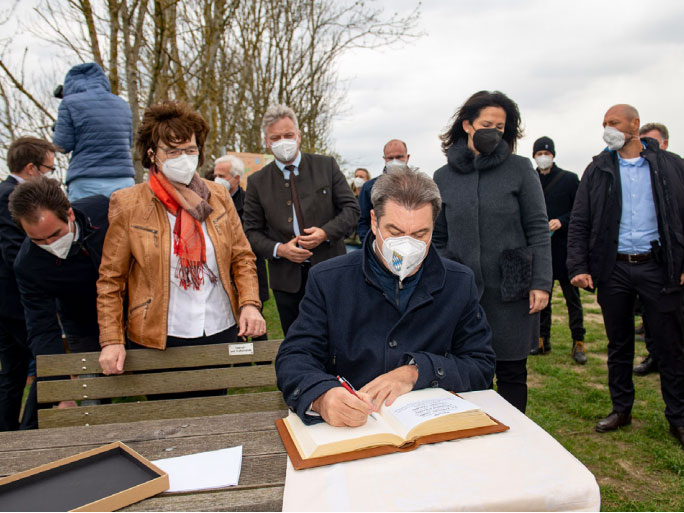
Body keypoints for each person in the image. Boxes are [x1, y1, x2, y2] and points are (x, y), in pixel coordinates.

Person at [276, 166, 495, 426]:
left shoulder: (459, 282)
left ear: (433, 227)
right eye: (395, 231)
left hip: (431, 428)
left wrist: (417, 371)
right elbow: (295, 357)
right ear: (373, 221)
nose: (406, 245)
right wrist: (322, 396)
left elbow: (480, 365)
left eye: (419, 234)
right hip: (353, 429)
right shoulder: (329, 279)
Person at [97, 100, 265, 376]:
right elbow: (111, 280)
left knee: (213, 415)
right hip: (158, 335)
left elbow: (242, 257)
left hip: (218, 326)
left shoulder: (219, 196)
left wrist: (249, 303)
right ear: (152, 154)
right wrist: (112, 339)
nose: (183, 158)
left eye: (189, 150)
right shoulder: (128, 203)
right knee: (164, 416)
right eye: (173, 151)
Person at [567, 104, 684, 447]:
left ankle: (678, 416)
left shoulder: (670, 165)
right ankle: (622, 409)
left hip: (658, 266)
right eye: (604, 124)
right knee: (619, 344)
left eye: (614, 123)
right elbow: (580, 220)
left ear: (635, 124)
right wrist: (578, 266)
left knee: (670, 345)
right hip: (614, 267)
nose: (608, 129)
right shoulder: (598, 168)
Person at [433, 90, 552, 413]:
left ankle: (516, 439)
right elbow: (437, 235)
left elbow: (538, 228)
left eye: (500, 127)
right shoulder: (443, 177)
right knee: (470, 372)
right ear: (468, 125)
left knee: (512, 371)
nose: (494, 132)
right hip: (462, 290)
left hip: (511, 289)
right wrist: (448, 271)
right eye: (487, 123)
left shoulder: (520, 169)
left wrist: (541, 282)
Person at [243, 104, 359, 336]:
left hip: (331, 270)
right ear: (267, 141)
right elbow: (251, 232)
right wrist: (280, 250)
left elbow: (351, 210)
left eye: (288, 135)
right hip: (286, 280)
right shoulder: (257, 181)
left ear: (298, 136)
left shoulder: (326, 166)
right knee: (297, 340)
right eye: (276, 137)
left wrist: (325, 233)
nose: (283, 141)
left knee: (339, 335)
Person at [10, 178, 109, 409]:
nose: (50, 244)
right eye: (38, 240)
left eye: (55, 235)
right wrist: (58, 387)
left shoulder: (103, 210)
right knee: (93, 404)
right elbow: (41, 327)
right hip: (84, 327)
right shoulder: (27, 265)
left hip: (134, 315)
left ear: (70, 214)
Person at [0, 136, 57, 430]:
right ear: (32, 168)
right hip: (15, 302)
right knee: (47, 364)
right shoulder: (9, 196)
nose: (51, 174)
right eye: (50, 168)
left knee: (13, 373)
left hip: (10, 301)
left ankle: (8, 433)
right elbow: (13, 253)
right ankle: (26, 430)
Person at [530, 136, 586, 363]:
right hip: (542, 251)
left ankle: (578, 341)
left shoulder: (569, 180)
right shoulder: (531, 179)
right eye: (539, 153)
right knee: (543, 297)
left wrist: (561, 221)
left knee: (573, 298)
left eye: (546, 153)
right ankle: (542, 340)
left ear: (553, 155)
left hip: (566, 249)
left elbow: (581, 211)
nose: (543, 157)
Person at [53, 62, 135, 201]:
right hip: (123, 179)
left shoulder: (69, 103)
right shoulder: (122, 104)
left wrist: (59, 128)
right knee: (124, 222)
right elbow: (129, 142)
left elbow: (62, 145)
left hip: (86, 180)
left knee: (86, 222)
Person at [213, 154, 270, 339]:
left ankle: (262, 364)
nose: (217, 180)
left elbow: (256, 234)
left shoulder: (250, 201)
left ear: (236, 178)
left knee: (255, 323)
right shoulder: (207, 199)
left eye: (222, 175)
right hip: (221, 272)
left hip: (249, 270)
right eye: (215, 175)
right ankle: (239, 365)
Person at [632, 122, 671, 377]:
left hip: (668, 261)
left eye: (652, 141)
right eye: (642, 141)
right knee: (648, 316)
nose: (646, 146)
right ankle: (652, 356)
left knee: (669, 321)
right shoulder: (634, 173)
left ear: (664, 143)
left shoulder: (674, 171)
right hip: (639, 259)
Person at [357, 139, 410, 242]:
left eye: (399, 157)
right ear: (384, 159)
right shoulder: (369, 187)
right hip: (380, 246)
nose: (395, 161)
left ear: (407, 157)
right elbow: (362, 221)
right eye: (390, 158)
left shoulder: (420, 185)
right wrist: (370, 246)